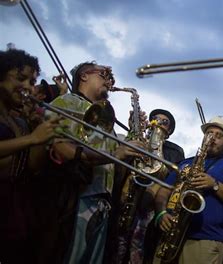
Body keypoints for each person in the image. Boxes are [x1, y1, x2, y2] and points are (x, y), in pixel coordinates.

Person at [47, 61, 144, 263]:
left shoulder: (105, 116)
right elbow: (59, 147)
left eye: (110, 77)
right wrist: (114, 154)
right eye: (104, 74)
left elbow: (112, 162)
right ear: (84, 76)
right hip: (77, 195)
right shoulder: (67, 102)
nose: (109, 81)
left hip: (103, 201)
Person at [153, 115, 223, 264]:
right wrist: (161, 213)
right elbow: (163, 191)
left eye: (219, 136)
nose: (213, 138)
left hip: (205, 240)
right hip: (169, 235)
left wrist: (215, 185)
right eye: (209, 133)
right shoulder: (185, 163)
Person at [0, 49, 59, 263]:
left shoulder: (21, 121)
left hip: (13, 209)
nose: (28, 86)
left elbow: (31, 166)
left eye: (32, 81)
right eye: (21, 78)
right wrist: (32, 139)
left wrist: (39, 131)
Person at [113, 108, 185, 264]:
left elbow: (173, 180)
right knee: (118, 247)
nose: (158, 123)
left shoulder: (175, 151)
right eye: (155, 119)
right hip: (129, 198)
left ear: (170, 130)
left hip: (151, 206)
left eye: (164, 122)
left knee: (139, 248)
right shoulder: (140, 143)